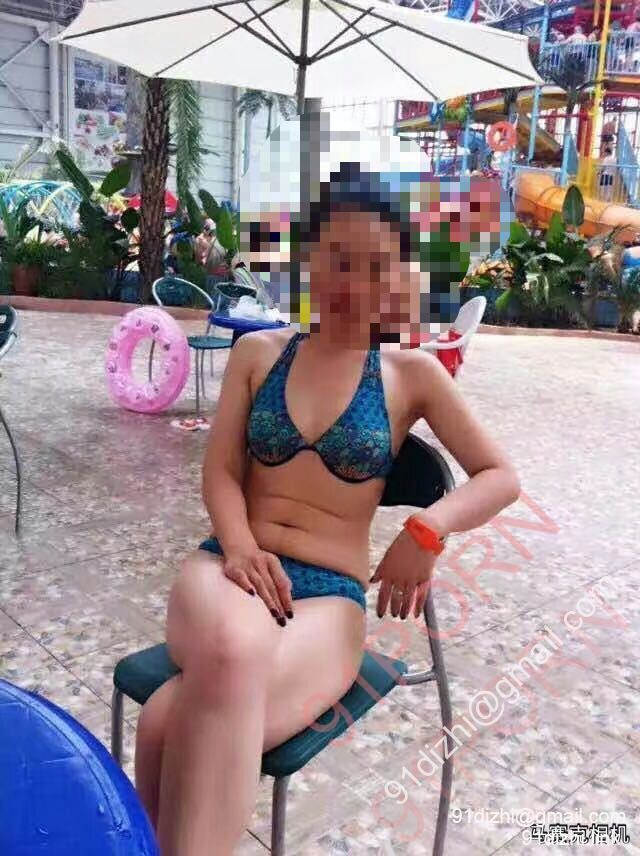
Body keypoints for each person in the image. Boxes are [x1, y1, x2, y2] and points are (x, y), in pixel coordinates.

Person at [133, 164, 521, 856]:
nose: (352, 283)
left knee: (169, 717)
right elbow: (221, 472)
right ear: (309, 261)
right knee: (234, 649)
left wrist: (428, 528)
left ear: (399, 275)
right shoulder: (259, 354)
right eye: (337, 260)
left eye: (374, 266)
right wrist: (240, 546)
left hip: (327, 601)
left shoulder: (410, 375)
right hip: (228, 569)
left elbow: (500, 476)